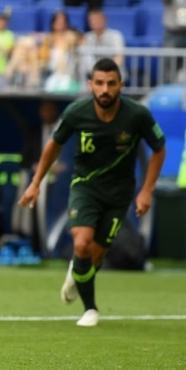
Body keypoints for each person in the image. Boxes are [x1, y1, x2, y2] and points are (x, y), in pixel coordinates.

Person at [20, 58, 166, 327]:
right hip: (85, 186)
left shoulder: (137, 115)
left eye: (111, 83)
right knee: (81, 243)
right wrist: (35, 182)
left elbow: (159, 148)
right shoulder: (77, 112)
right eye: (99, 83)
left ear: (121, 85)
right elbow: (54, 145)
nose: (105, 90)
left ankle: (77, 271)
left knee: (96, 255)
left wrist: (147, 190)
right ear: (91, 85)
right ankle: (90, 309)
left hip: (119, 193)